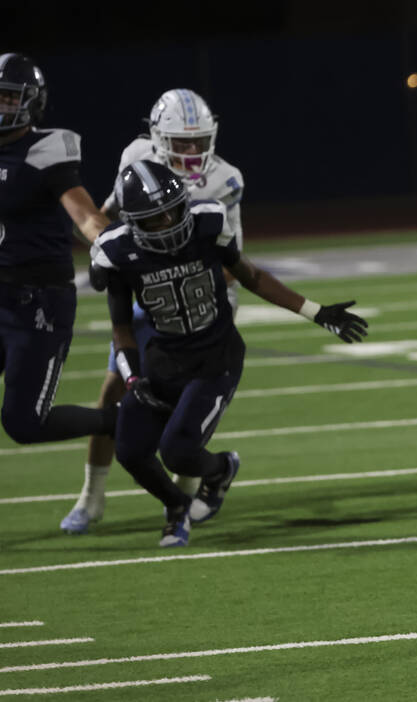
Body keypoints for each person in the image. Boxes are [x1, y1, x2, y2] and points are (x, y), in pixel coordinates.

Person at [92, 160, 367, 547]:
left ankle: (220, 469)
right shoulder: (116, 252)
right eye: (155, 218)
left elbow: (251, 276)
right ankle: (175, 507)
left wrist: (316, 312)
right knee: (130, 450)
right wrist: (134, 379)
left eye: (173, 209)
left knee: (179, 452)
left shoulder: (207, 223)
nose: (169, 221)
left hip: (214, 357)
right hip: (163, 359)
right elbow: (121, 329)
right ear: (134, 223)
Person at [61, 89, 245, 534]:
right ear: (158, 139)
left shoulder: (225, 180)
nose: (191, 151)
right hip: (147, 299)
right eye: (181, 143)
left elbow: (233, 265)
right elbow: (108, 215)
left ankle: (182, 491)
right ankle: (92, 495)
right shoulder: (137, 156)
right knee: (113, 394)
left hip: (201, 305)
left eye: (199, 141)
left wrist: (174, 279)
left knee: (187, 406)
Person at [0, 53, 117, 447]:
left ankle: (117, 421)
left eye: (9, 98)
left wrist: (107, 246)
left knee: (23, 425)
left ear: (32, 102)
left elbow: (84, 216)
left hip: (39, 301)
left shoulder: (45, 150)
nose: (1, 105)